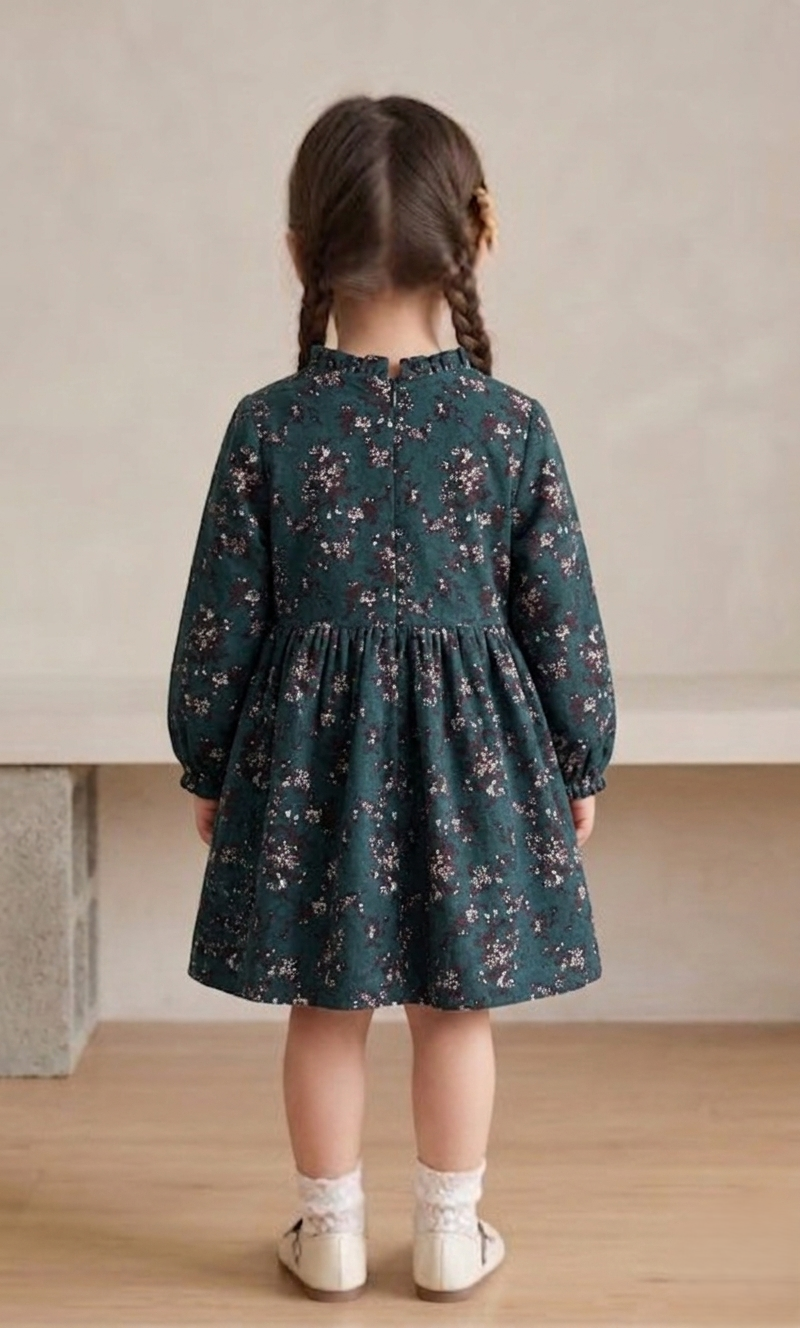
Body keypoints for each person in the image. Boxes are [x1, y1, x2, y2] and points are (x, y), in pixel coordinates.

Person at [167, 93, 616, 1304]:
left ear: (298, 251)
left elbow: (220, 618)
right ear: (476, 237)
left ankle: (329, 1235)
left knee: (325, 1000)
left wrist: (210, 759)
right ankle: (450, 1234)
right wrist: (575, 759)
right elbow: (560, 617)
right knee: (451, 1006)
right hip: (476, 765)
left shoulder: (269, 424)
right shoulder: (510, 426)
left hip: (308, 764)